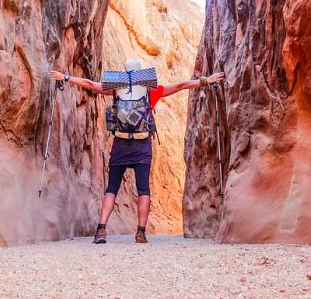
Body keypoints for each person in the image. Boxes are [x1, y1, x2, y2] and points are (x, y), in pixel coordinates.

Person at [51, 59, 224, 244]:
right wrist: (206, 80)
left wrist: (66, 77)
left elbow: (90, 84)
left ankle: (100, 231)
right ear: (141, 73)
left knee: (111, 189)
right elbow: (182, 85)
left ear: (125, 74)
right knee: (143, 190)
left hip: (120, 144)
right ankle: (140, 233)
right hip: (142, 145)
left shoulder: (116, 90)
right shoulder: (152, 91)